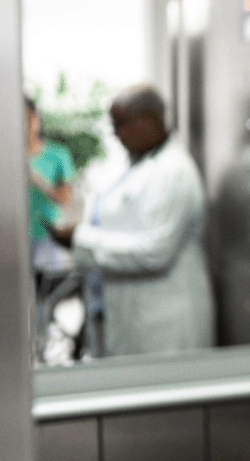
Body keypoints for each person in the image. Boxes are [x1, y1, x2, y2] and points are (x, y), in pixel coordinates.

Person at [51, 85, 214, 356]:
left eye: (120, 124)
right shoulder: (138, 165)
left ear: (149, 119)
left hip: (164, 325)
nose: (115, 133)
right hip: (134, 319)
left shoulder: (173, 172)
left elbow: (154, 253)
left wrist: (80, 238)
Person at [26, 97, 77, 276]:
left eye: (30, 118)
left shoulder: (58, 155)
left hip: (48, 237)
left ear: (38, 119)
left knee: (49, 295)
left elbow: (65, 199)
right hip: (13, 238)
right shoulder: (3, 156)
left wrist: (35, 179)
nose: (26, 124)